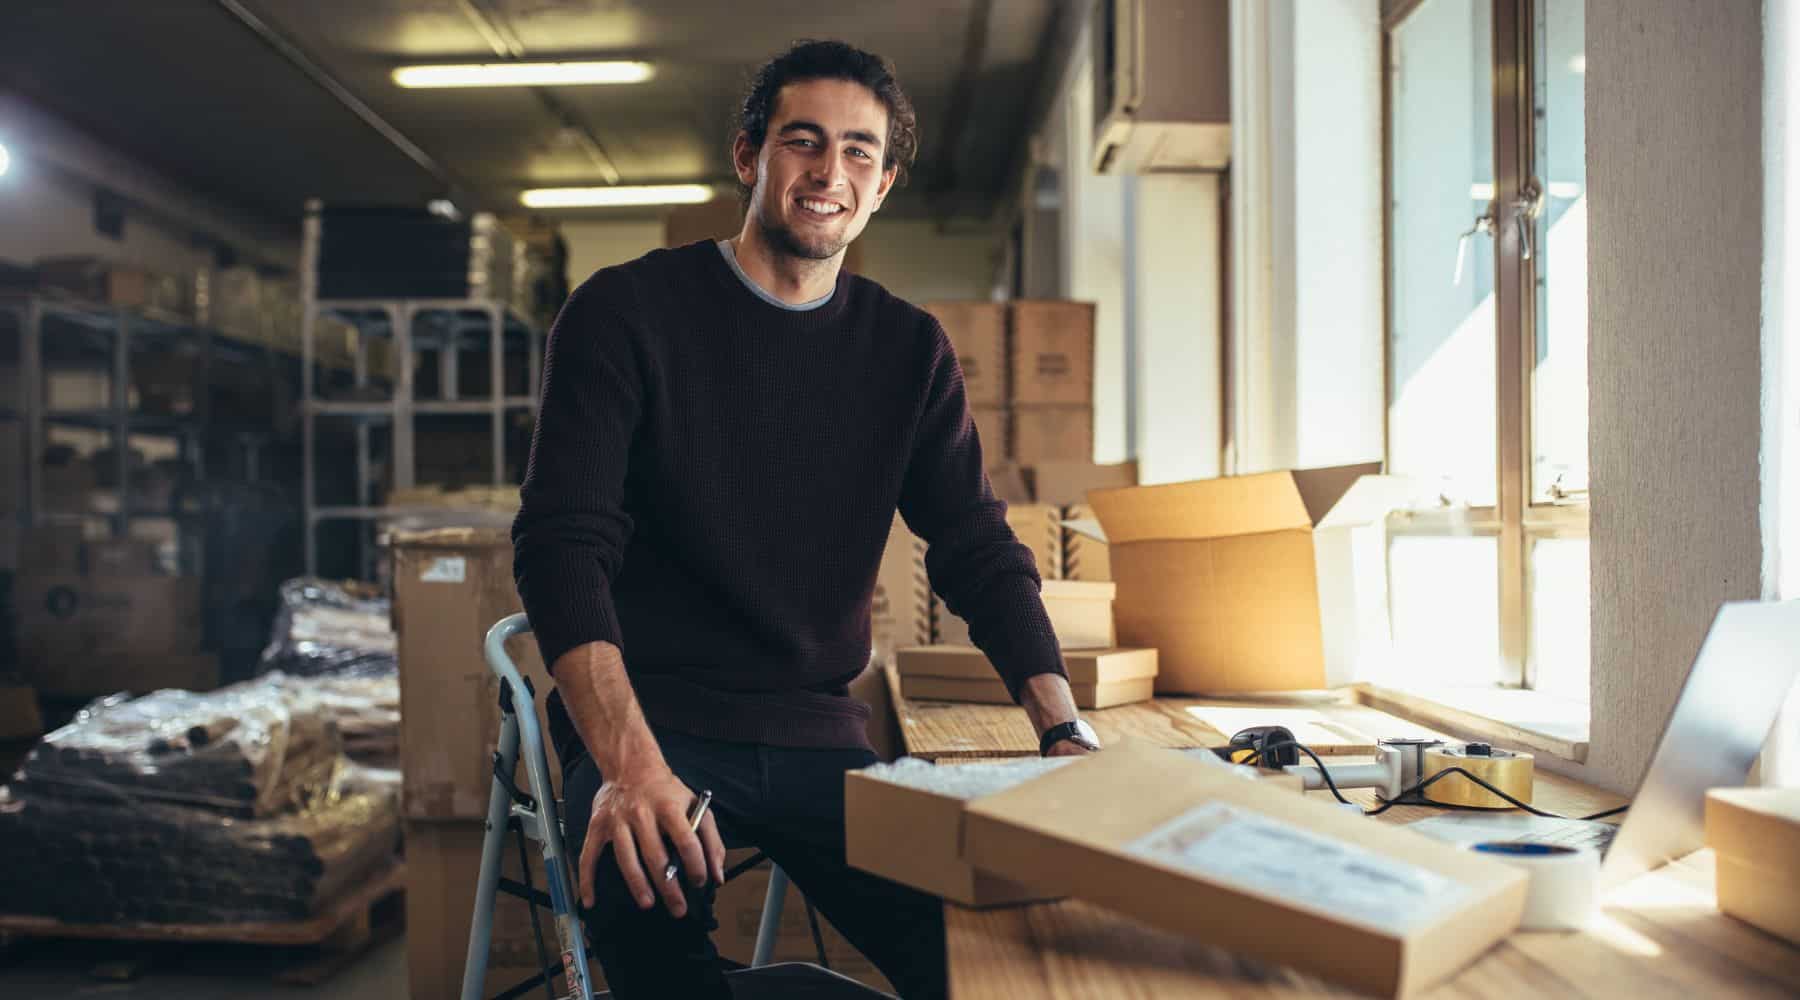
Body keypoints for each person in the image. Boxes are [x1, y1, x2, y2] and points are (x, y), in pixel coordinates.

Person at [512, 39, 1098, 1000]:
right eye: (804, 142)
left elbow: (976, 545)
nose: (830, 173)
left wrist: (1062, 730)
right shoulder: (624, 314)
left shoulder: (907, 351)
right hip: (656, 725)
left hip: (822, 736)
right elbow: (559, 543)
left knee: (985, 957)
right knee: (647, 926)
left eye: (860, 152)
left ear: (885, 182)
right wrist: (627, 767)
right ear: (750, 156)